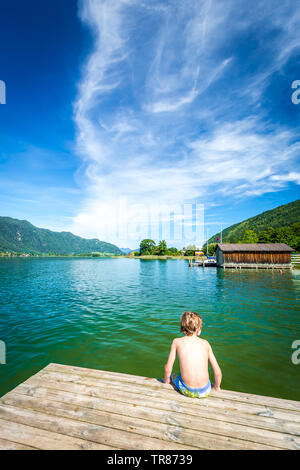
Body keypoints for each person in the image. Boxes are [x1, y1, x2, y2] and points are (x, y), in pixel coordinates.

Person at [164, 311, 222, 398]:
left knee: (174, 376)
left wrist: (167, 381)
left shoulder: (177, 342)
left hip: (187, 390)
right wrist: (216, 387)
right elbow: (217, 372)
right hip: (205, 391)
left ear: (183, 327)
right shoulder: (205, 343)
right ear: (198, 328)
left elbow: (168, 368)